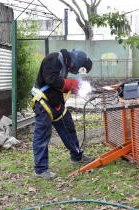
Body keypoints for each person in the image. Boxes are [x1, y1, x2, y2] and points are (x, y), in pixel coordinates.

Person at [31, 49, 93, 178]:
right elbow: (51, 80)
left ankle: (77, 156)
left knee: (68, 127)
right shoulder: (53, 59)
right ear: (75, 62)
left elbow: (58, 85)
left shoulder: (64, 63)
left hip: (55, 102)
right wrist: (70, 84)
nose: (74, 71)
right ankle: (41, 170)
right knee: (42, 135)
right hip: (43, 102)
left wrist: (75, 88)